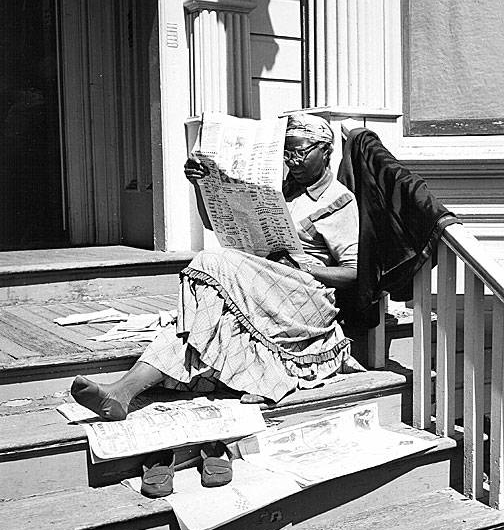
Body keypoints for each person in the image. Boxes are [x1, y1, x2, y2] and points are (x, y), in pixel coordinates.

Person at [70, 113, 363, 421]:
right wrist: (200, 185)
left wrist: (306, 269)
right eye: (286, 152)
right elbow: (212, 223)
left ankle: (125, 392)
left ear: (326, 151)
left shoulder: (339, 200)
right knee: (202, 321)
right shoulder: (279, 189)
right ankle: (120, 393)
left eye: (300, 152)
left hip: (304, 295)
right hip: (260, 284)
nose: (291, 160)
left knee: (211, 261)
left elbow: (354, 272)